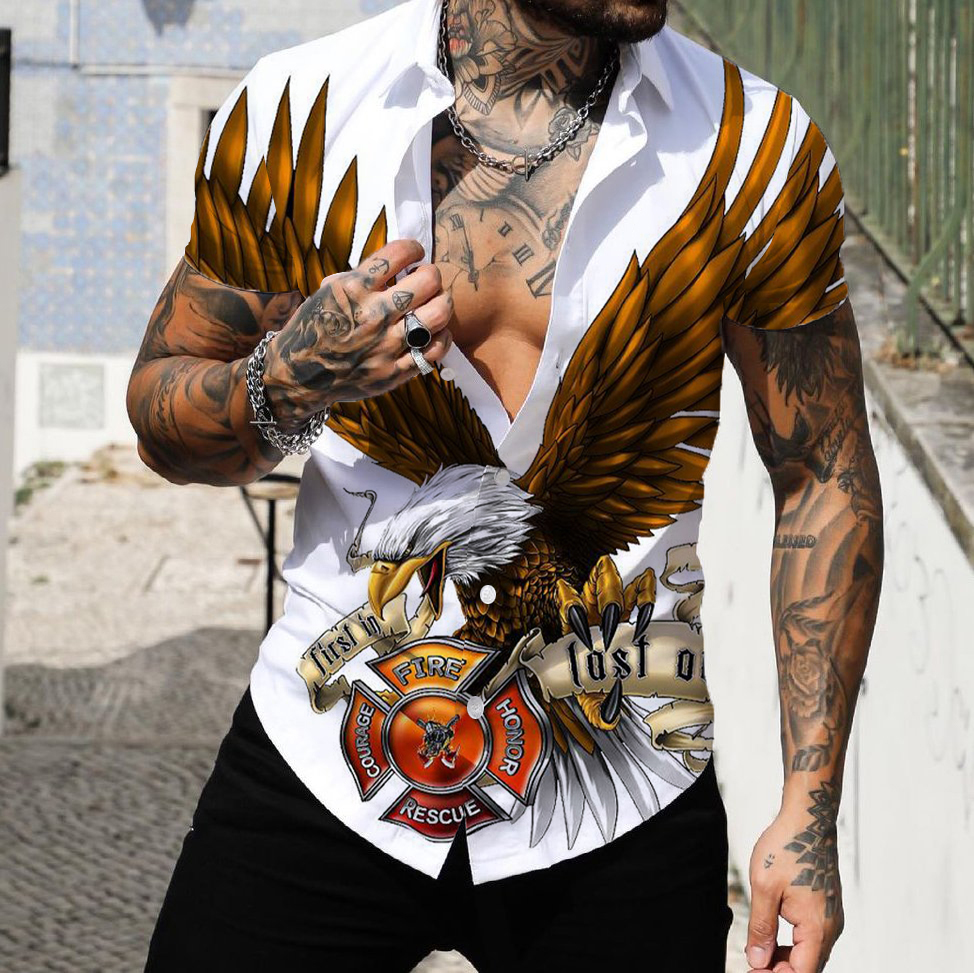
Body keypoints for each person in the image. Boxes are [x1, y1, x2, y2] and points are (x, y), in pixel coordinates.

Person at [128, 0, 883, 970]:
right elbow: (162, 418)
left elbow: (822, 474)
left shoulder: (750, 149)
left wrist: (808, 810)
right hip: (326, 760)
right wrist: (288, 379)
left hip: (617, 787)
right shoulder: (300, 110)